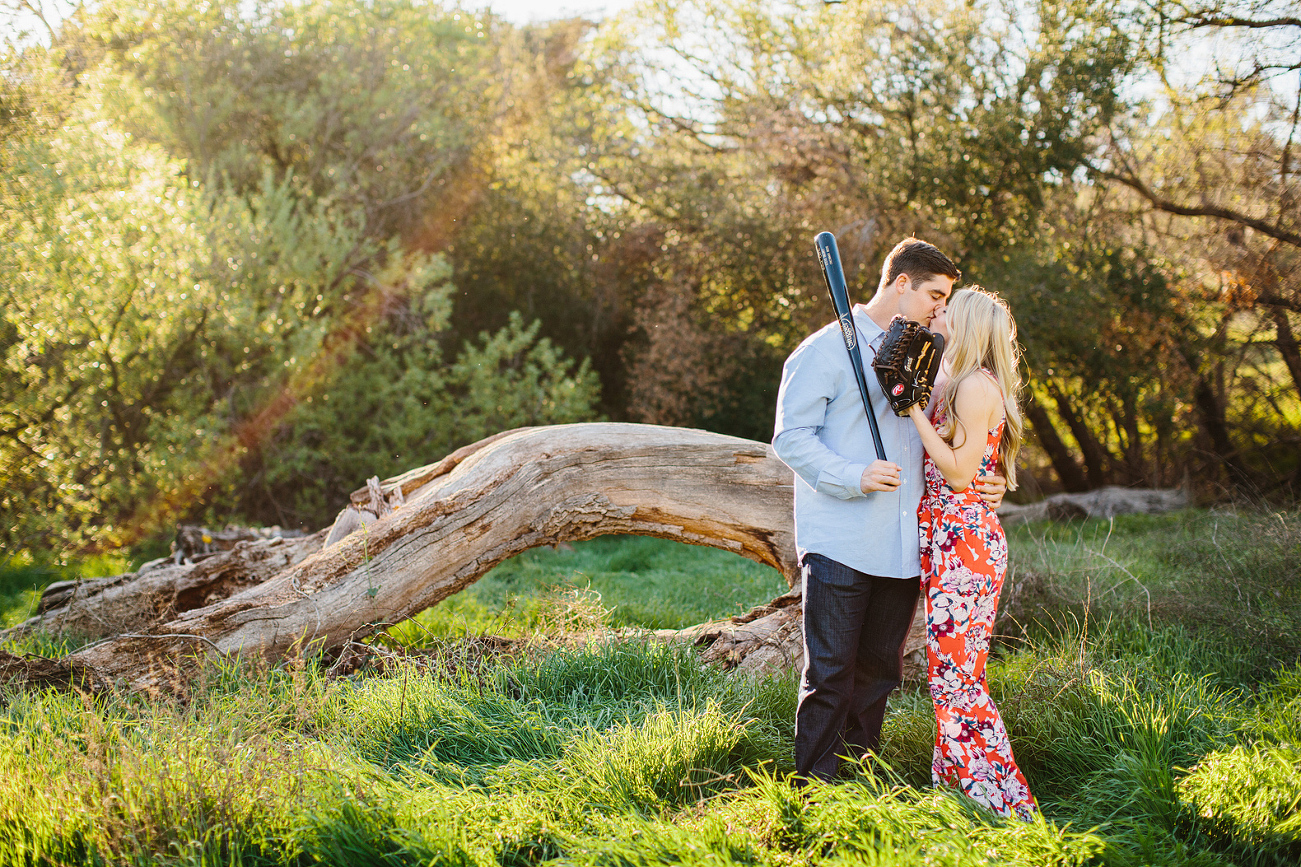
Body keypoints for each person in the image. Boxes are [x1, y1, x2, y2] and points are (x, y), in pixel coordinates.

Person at [772, 237, 1006, 782]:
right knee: (830, 674)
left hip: (906, 547)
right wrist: (854, 476)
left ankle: (857, 784)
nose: (940, 309)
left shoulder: (935, 359)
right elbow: (792, 438)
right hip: (842, 538)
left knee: (879, 674)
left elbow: (965, 441)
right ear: (901, 284)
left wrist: (990, 481)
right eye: (934, 295)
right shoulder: (825, 350)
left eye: (947, 300)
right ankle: (813, 791)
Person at [906, 287, 1037, 820]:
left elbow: (960, 475)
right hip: (953, 543)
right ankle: (958, 795)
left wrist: (913, 409)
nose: (940, 320)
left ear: (968, 328)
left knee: (957, 681)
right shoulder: (962, 384)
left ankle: (1004, 806)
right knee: (950, 679)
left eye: (947, 315)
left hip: (964, 547)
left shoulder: (971, 389)